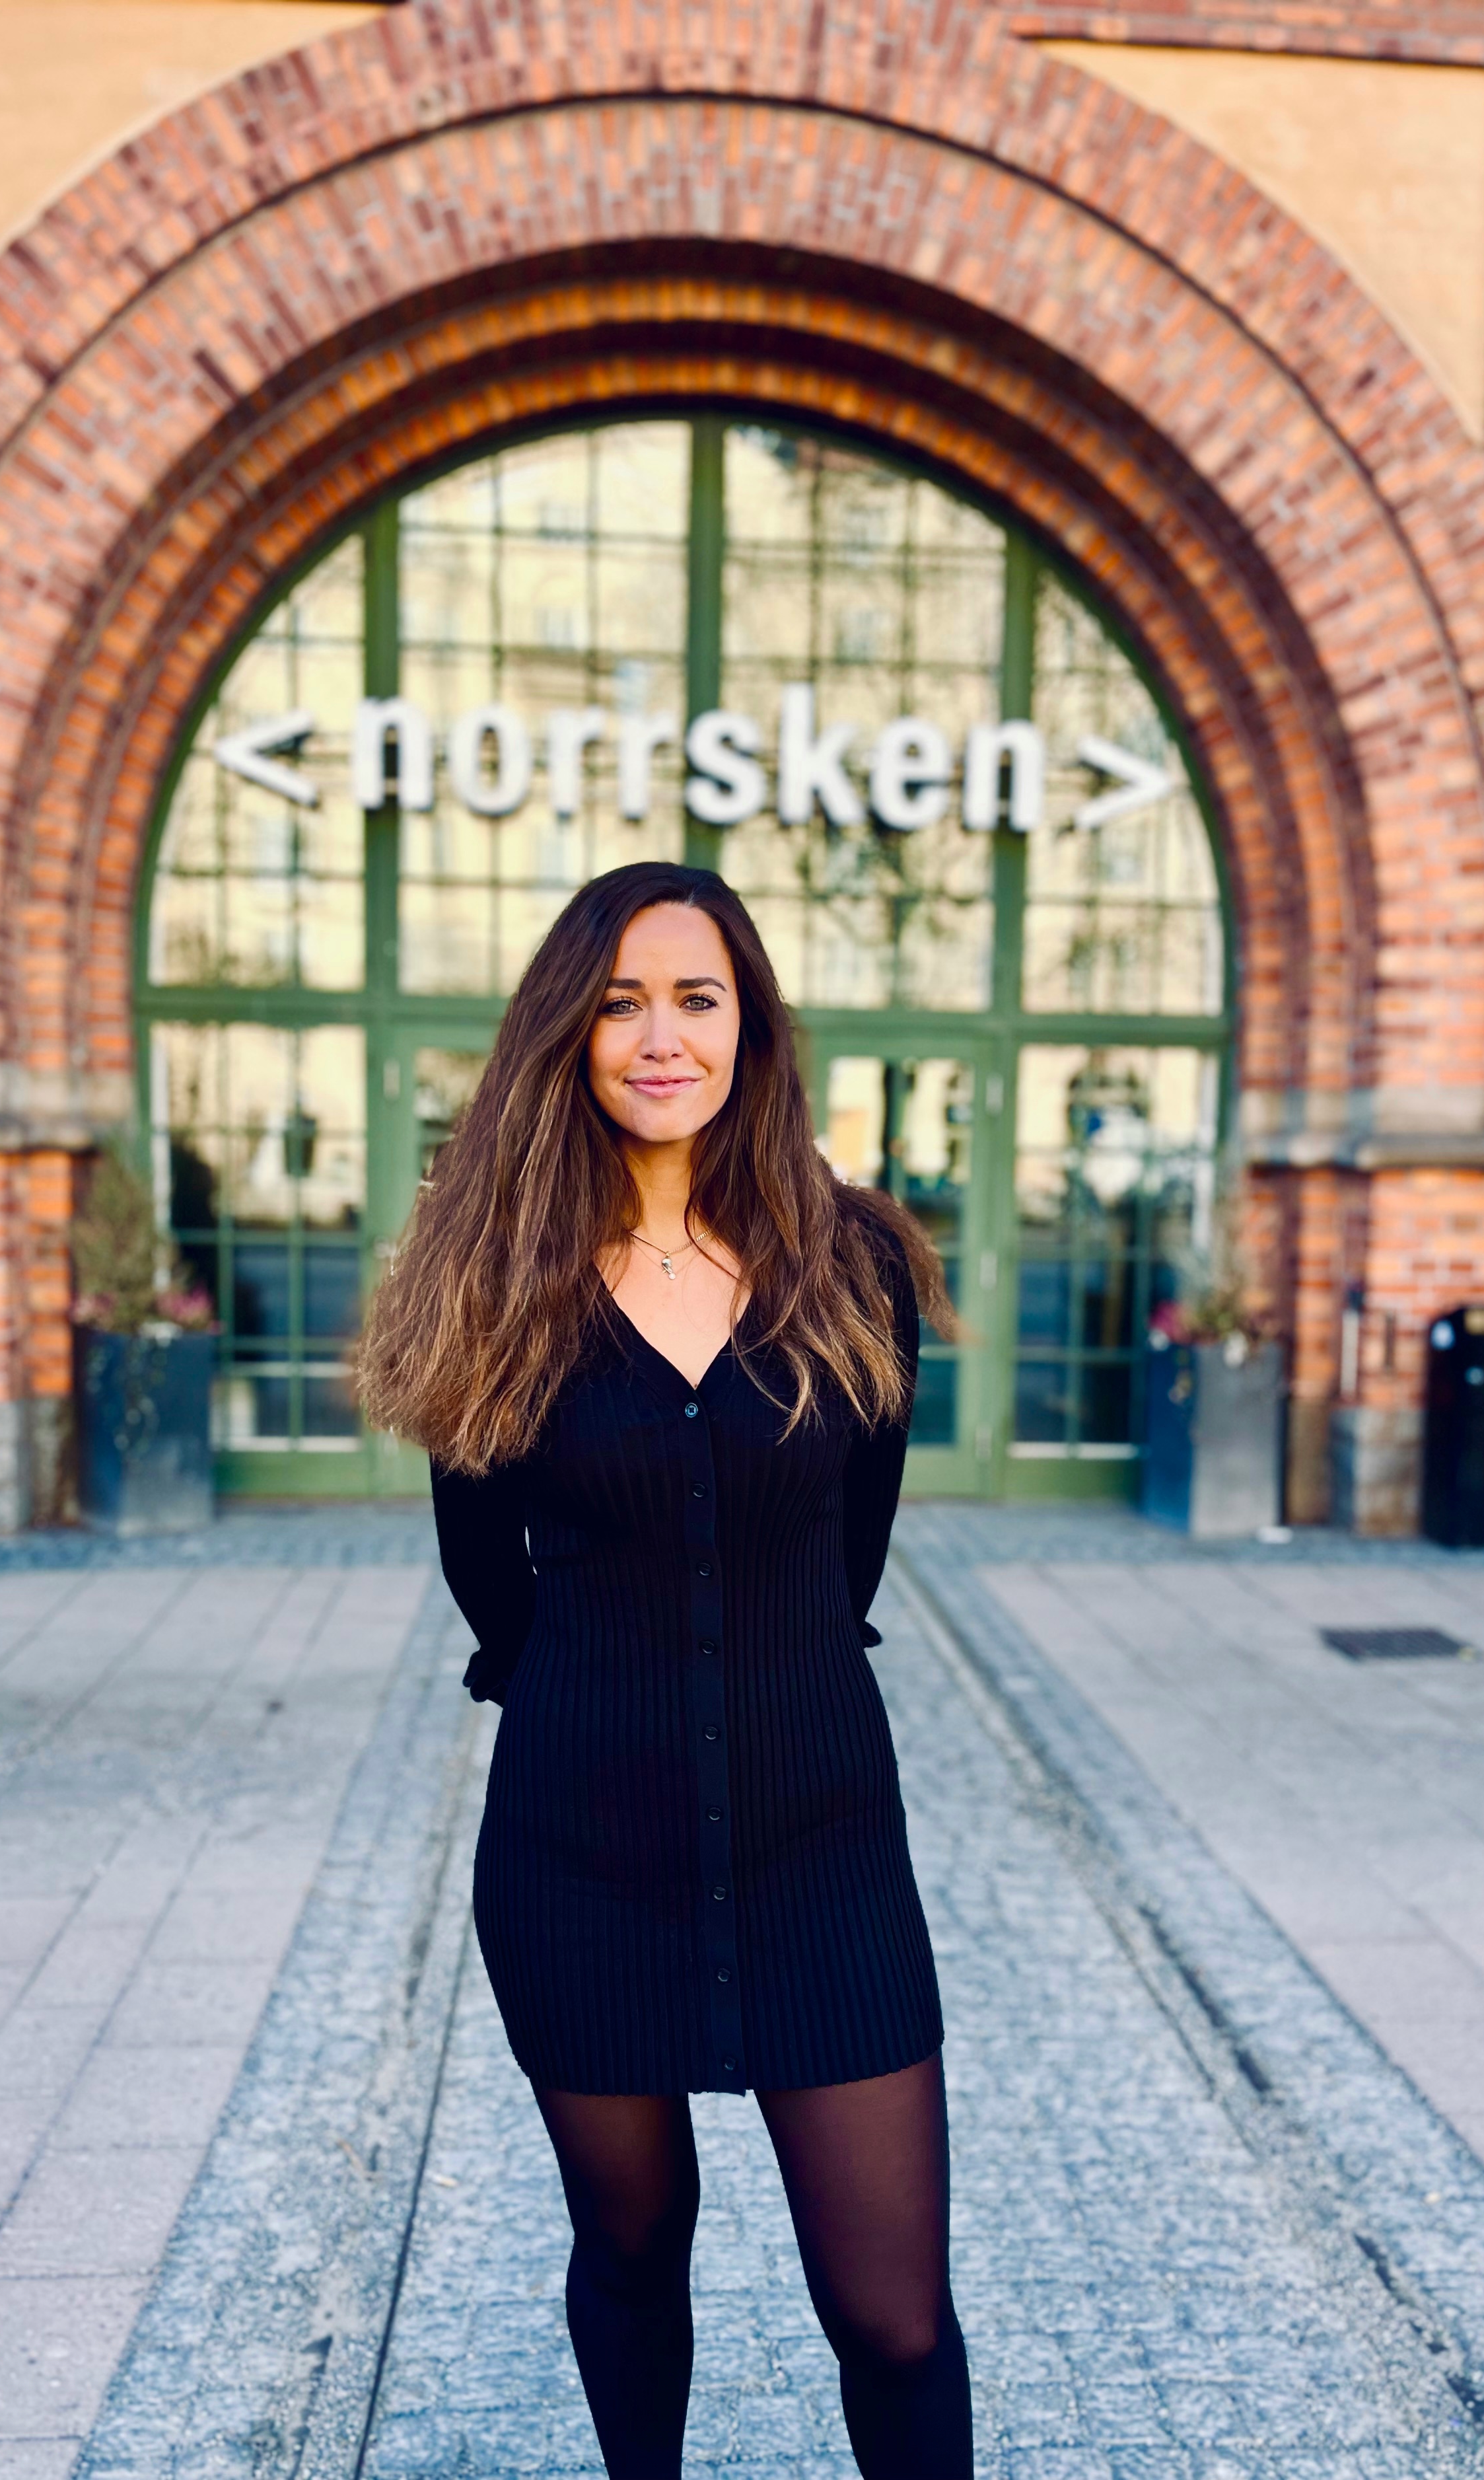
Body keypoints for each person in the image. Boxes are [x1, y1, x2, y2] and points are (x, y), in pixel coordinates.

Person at [359, 861, 972, 2478]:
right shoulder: (496, 1272)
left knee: (896, 2314)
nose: (658, 1035)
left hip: (822, 1849)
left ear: (750, 1026)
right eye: (619, 999)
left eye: (695, 996)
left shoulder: (856, 1266)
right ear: (567, 1030)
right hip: (583, 1851)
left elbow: (853, 1548)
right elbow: (484, 1573)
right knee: (632, 2253)